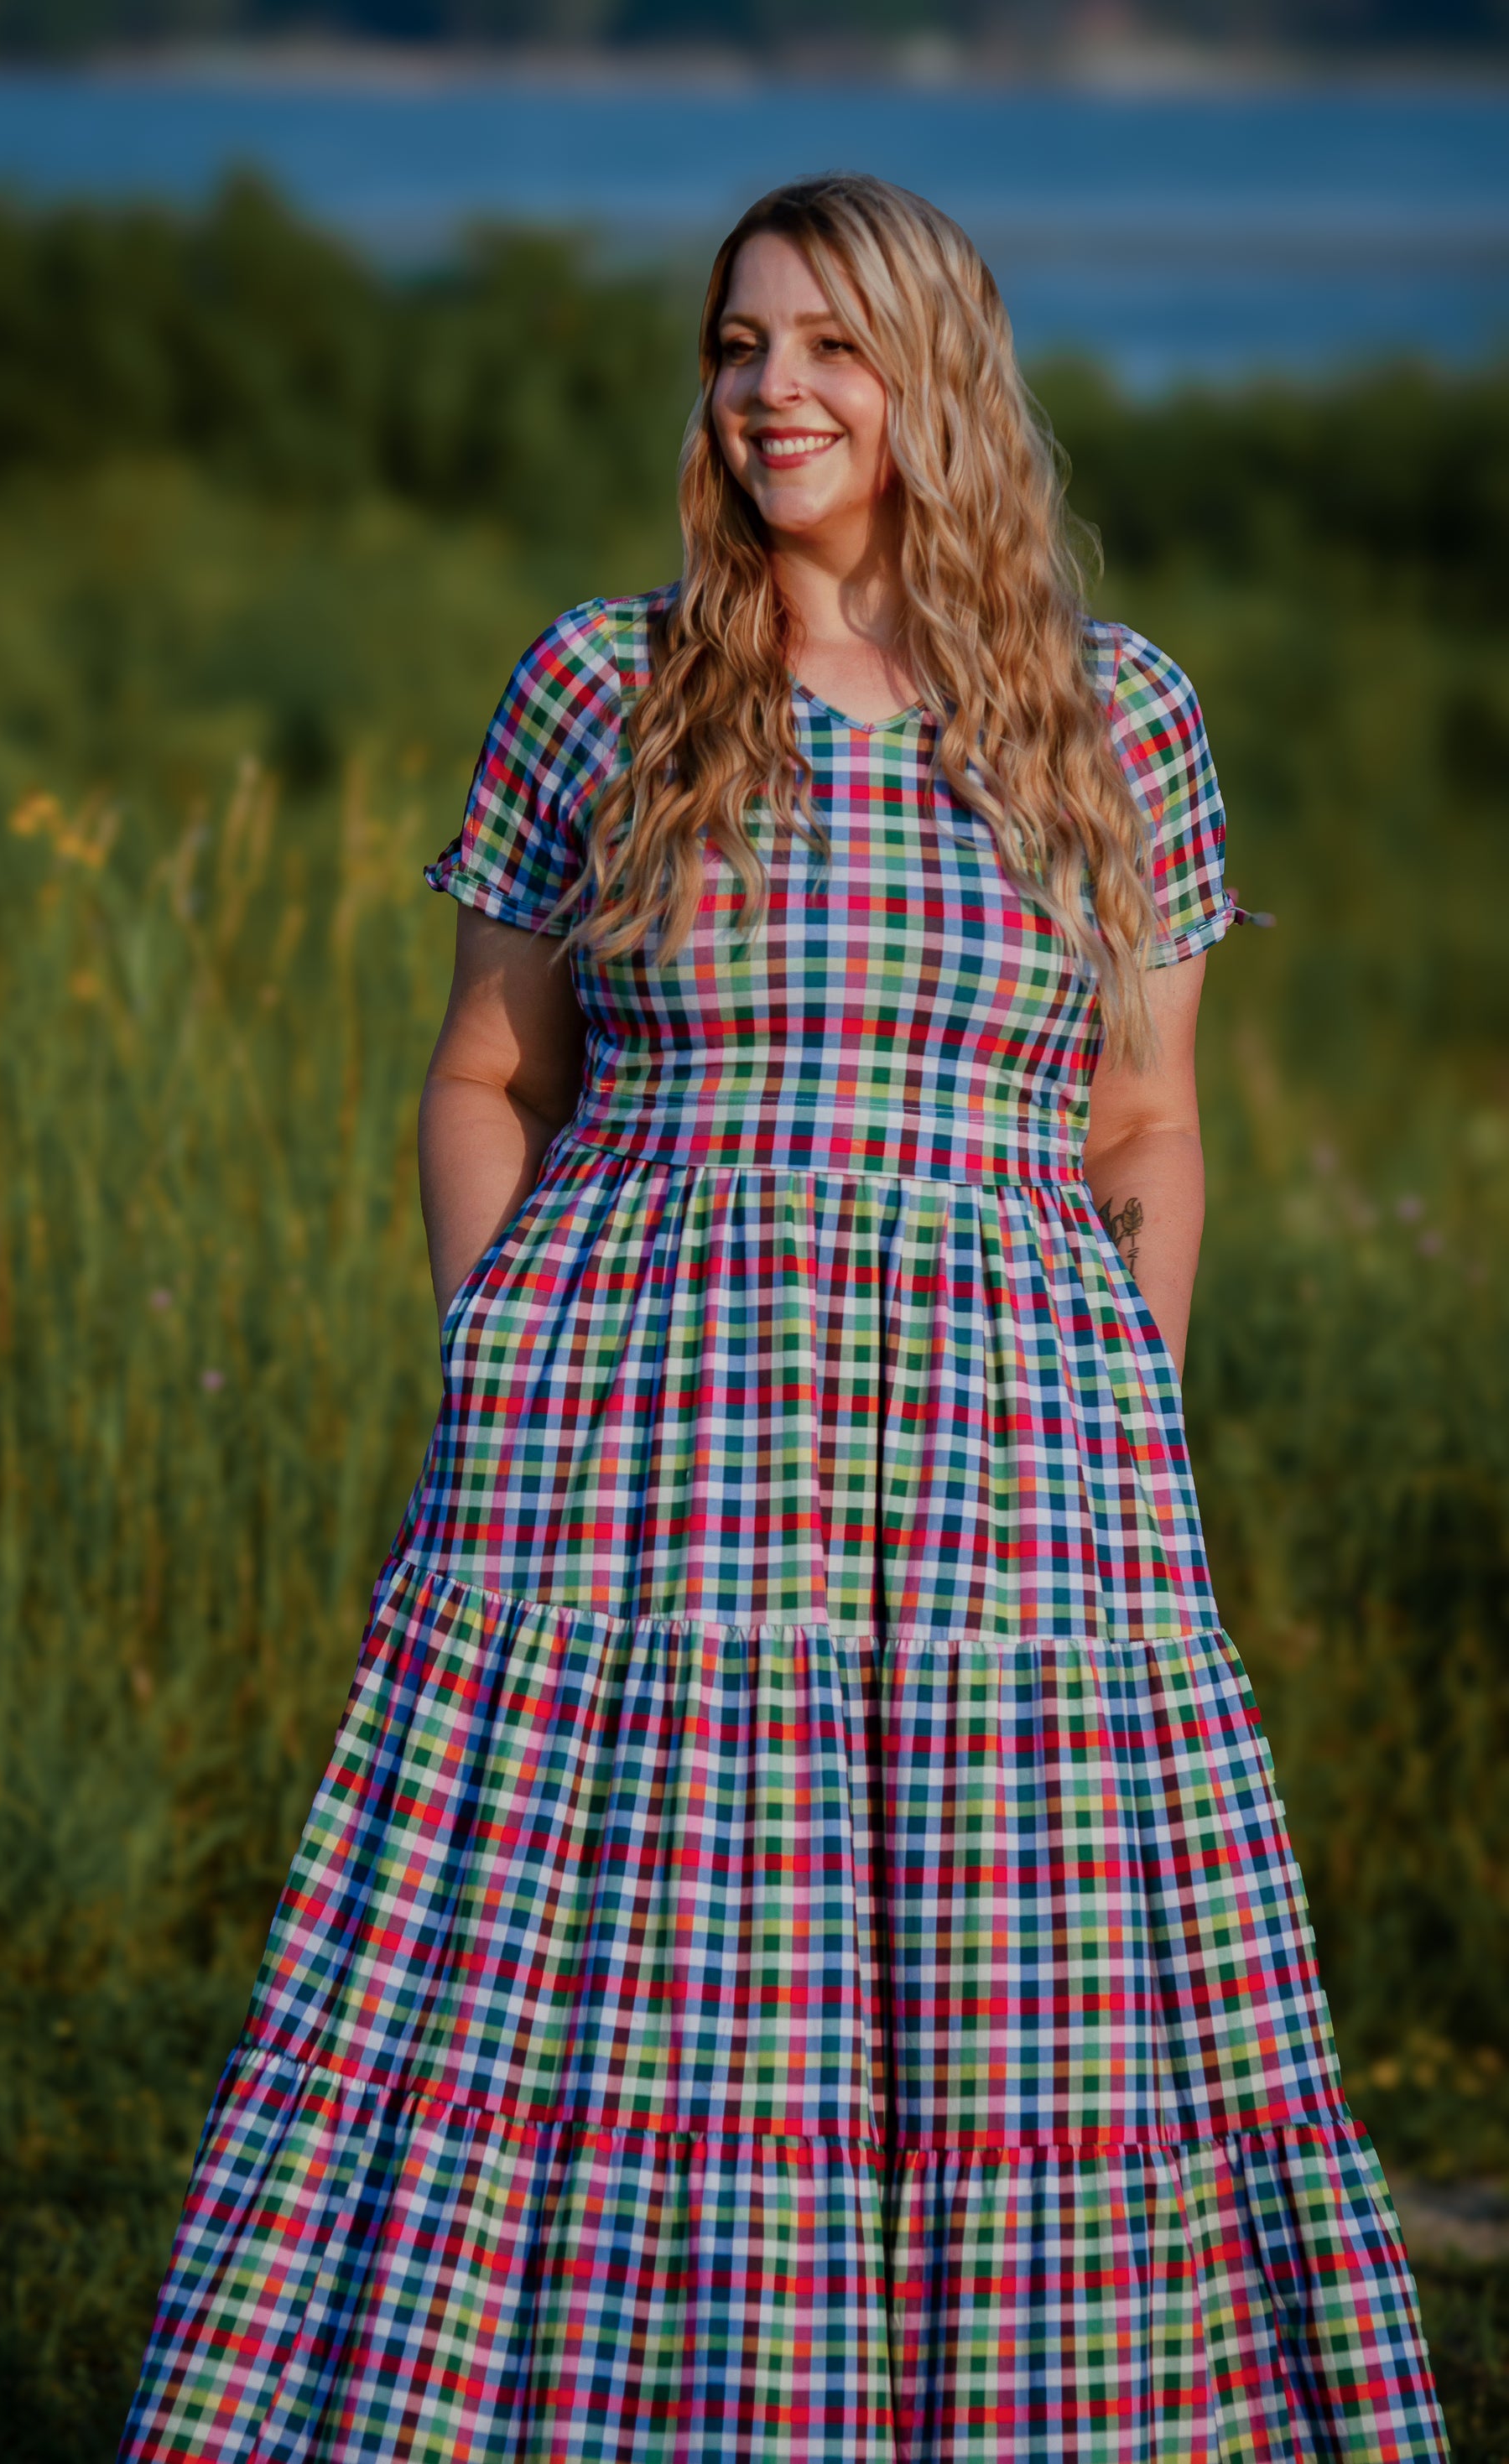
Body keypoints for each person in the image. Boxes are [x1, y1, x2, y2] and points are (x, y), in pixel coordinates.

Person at [119, 174, 1447, 2462]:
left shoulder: (1115, 716)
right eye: (736, 348)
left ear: (937, 372)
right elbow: (487, 1072)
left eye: (824, 345)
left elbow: (1142, 1119)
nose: (770, 392)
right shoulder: (598, 683)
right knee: (609, 1984)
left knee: (1008, 1990)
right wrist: (497, 1357)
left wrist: (1134, 1393)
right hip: (634, 1434)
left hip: (1013, 1442)